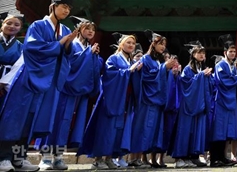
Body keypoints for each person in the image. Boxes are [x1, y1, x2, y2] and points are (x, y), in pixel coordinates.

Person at [0, 0, 76, 172]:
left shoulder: (66, 31)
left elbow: (67, 56)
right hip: (30, 78)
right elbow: (32, 49)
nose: (66, 10)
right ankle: (4, 157)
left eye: (69, 8)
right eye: (63, 6)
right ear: (53, 6)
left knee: (32, 120)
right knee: (16, 118)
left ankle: (20, 157)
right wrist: (59, 45)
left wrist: (67, 46)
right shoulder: (38, 25)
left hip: (49, 83)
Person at [39, 16, 101, 171]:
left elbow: (94, 69)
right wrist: (88, 54)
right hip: (63, 87)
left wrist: (93, 56)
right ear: (79, 29)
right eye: (87, 28)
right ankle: (45, 157)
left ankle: (58, 156)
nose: (90, 32)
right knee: (53, 120)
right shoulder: (72, 44)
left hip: (77, 91)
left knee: (66, 122)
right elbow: (69, 62)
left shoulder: (89, 47)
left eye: (93, 30)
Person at [78, 33, 143, 168]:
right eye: (128, 42)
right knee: (105, 129)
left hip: (124, 100)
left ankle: (109, 158)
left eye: (133, 43)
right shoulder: (114, 58)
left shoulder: (131, 61)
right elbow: (109, 76)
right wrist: (128, 72)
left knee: (118, 130)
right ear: (121, 44)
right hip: (111, 99)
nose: (131, 45)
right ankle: (98, 159)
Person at [129, 30, 178, 167]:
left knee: (152, 130)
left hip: (157, 100)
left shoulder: (157, 60)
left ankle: (145, 159)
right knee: (142, 128)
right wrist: (164, 68)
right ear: (153, 44)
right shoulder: (145, 59)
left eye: (164, 44)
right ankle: (134, 158)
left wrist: (167, 69)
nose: (163, 47)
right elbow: (146, 77)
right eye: (160, 44)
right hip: (147, 99)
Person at [171, 41, 211, 168]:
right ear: (193, 54)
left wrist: (207, 77)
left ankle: (194, 156)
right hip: (188, 105)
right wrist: (201, 76)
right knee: (185, 130)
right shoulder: (188, 69)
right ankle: (180, 157)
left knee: (197, 131)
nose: (202, 55)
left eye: (203, 53)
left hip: (200, 104)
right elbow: (185, 85)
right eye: (199, 52)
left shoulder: (202, 68)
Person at [210, 35, 237, 167]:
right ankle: (214, 158)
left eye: (234, 51)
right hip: (221, 101)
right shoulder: (220, 65)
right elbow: (224, 82)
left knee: (226, 132)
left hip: (230, 101)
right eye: (230, 51)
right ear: (225, 53)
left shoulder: (233, 66)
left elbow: (234, 82)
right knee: (219, 130)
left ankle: (223, 157)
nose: (233, 54)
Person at [0, 12, 24, 106]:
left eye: (16, 25)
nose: (12, 26)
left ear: (20, 28)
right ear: (2, 24)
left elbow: (18, 67)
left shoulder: (21, 47)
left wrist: (2, 84)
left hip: (7, 82)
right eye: (8, 23)